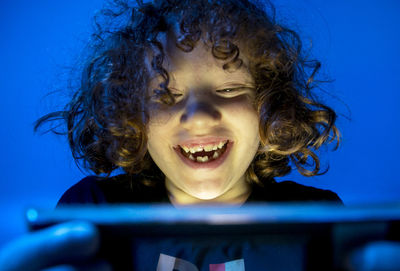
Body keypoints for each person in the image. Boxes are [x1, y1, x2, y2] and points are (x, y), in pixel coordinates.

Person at [0, 0, 348, 270]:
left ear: (269, 105)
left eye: (229, 89)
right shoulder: (93, 211)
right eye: (166, 96)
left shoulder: (318, 218)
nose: (198, 119)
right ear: (131, 115)